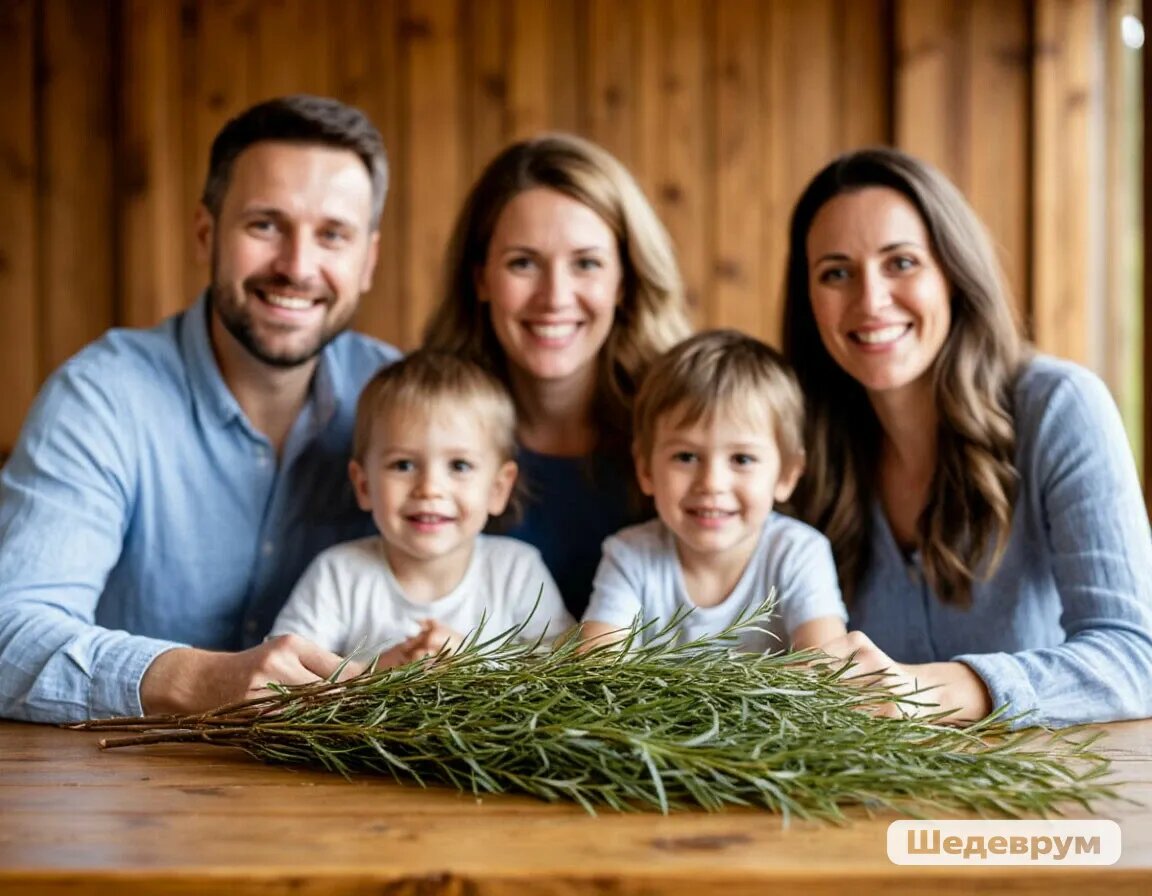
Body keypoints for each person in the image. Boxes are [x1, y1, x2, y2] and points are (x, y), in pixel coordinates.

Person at [0, 95, 401, 723]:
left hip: (346, 794)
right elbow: (8, 632)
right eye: (265, 224)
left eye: (332, 235)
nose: (298, 266)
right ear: (205, 233)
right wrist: (198, 679)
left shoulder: (402, 398)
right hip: (120, 791)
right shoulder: (101, 397)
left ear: (368, 260)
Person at [782, 146, 1152, 727]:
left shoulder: (1059, 406)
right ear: (809, 301)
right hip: (856, 801)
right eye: (836, 273)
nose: (871, 301)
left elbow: (1137, 660)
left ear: (953, 273)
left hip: (1040, 801)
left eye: (901, 262)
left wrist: (935, 690)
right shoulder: (793, 441)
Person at [423, 133, 694, 618]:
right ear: (480, 278)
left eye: (586, 263)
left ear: (624, 281)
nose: (555, 297)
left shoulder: (689, 432)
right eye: (523, 263)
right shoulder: (422, 433)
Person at [269, 350, 574, 664]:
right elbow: (282, 670)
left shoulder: (517, 571)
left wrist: (474, 664)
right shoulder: (338, 575)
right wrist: (372, 677)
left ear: (498, 489)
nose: (429, 488)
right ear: (364, 486)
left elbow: (563, 674)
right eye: (403, 465)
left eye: (459, 465)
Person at [580, 330, 847, 653]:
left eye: (742, 459)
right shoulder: (630, 557)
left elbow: (827, 664)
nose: (711, 483)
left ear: (787, 475)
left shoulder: (798, 554)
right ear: (646, 469)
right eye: (687, 457)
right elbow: (598, 665)